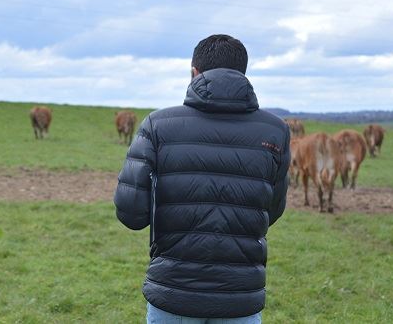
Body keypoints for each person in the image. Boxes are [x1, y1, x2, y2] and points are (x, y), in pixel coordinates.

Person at [114, 34, 290, 323]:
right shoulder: (275, 131)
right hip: (240, 294)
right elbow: (272, 210)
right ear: (242, 73)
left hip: (174, 290)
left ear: (194, 72)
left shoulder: (157, 125)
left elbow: (131, 213)